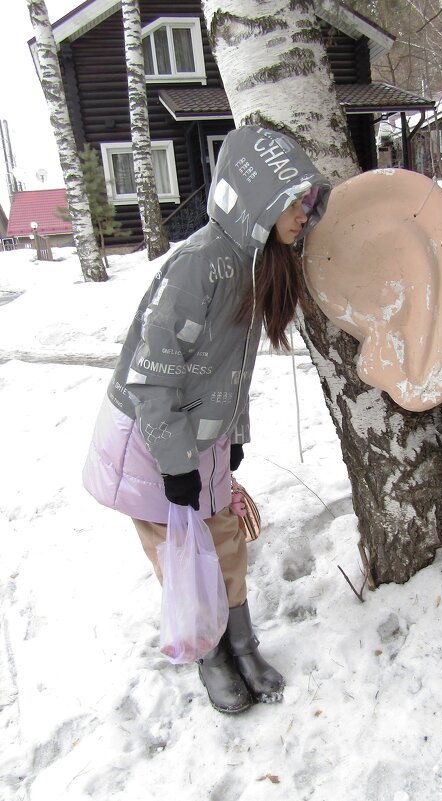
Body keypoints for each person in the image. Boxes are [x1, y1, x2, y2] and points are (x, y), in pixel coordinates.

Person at [82, 125, 331, 714]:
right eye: (291, 199)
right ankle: (212, 654)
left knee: (223, 542)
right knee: (183, 553)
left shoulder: (255, 263)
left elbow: (232, 371)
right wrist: (174, 466)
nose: (304, 213)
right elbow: (153, 374)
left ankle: (242, 644)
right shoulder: (198, 266)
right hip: (155, 439)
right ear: (256, 199)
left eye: (307, 200)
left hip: (206, 436)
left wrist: (235, 438)